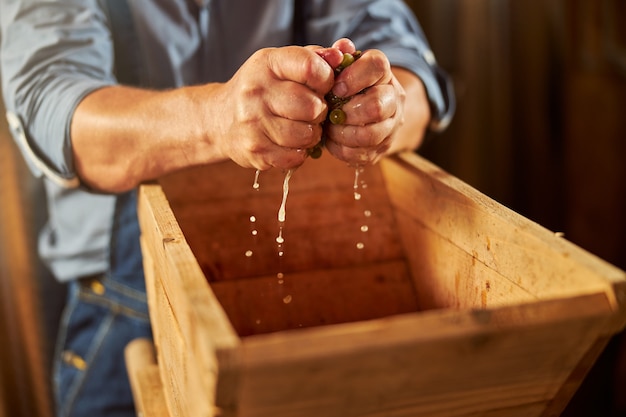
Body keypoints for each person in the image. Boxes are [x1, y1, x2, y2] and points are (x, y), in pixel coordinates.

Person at [0, 1, 454, 416]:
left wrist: (384, 108)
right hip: (128, 316)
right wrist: (215, 117)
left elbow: (412, 74)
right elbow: (56, 111)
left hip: (306, 280)